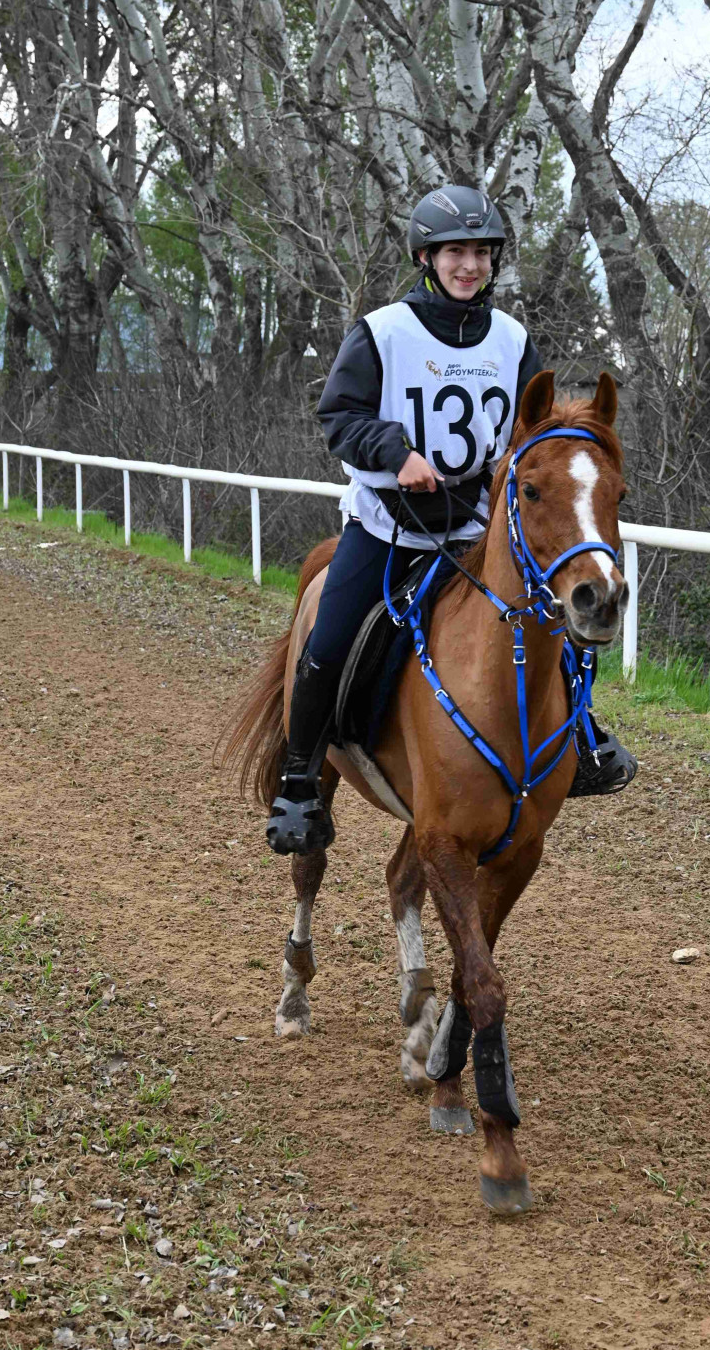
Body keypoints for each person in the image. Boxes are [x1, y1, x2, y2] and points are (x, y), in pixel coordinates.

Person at [266, 183, 636, 855]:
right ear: (426, 258)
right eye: (454, 253)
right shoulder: (380, 333)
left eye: (479, 254)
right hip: (389, 522)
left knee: (552, 614)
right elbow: (338, 416)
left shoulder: (512, 340)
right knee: (329, 639)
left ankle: (578, 739)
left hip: (474, 526)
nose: (468, 266)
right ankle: (299, 781)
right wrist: (396, 453)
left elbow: (532, 429)